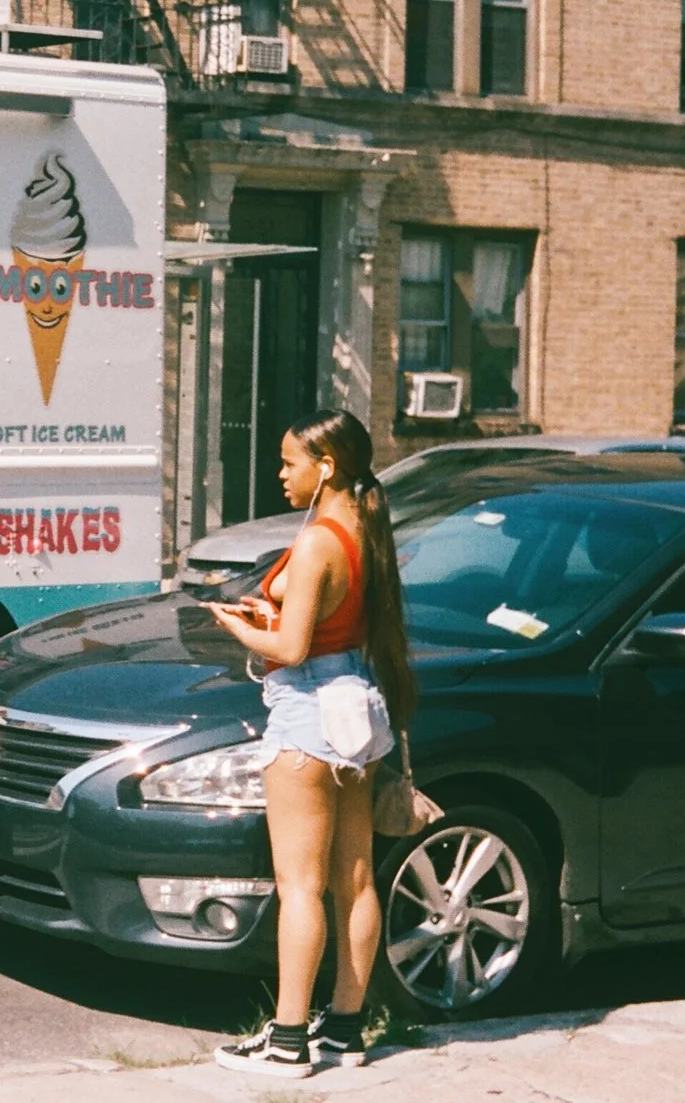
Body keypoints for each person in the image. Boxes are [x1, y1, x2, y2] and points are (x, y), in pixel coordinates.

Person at [200, 409, 418, 1074]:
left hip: (306, 714)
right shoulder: (362, 524)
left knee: (300, 885)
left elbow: (292, 647)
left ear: (326, 465)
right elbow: (335, 622)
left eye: (290, 461)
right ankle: (346, 1028)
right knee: (355, 879)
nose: (280, 473)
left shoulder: (320, 538)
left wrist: (238, 627)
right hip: (356, 705)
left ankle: (288, 1038)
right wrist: (273, 614)